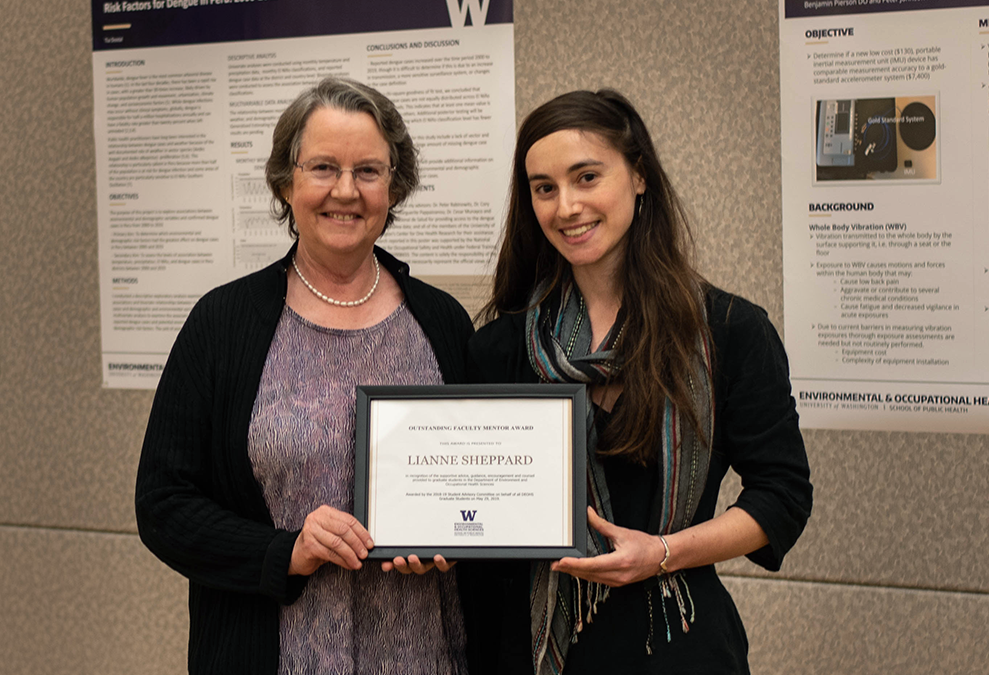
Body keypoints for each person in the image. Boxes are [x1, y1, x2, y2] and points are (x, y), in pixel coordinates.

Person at [135, 77, 474, 675]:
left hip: (425, 655)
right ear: (286, 182)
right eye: (323, 167)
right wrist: (283, 550)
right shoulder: (223, 324)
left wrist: (455, 538)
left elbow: (477, 482)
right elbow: (164, 504)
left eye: (368, 171)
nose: (346, 190)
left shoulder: (442, 322)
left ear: (394, 188)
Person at [467, 89, 813, 674]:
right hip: (535, 649)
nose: (566, 205)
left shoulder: (728, 332)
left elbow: (782, 497)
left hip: (676, 643)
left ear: (640, 178)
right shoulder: (501, 347)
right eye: (544, 188)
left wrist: (661, 553)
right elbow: (475, 504)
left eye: (587, 177)